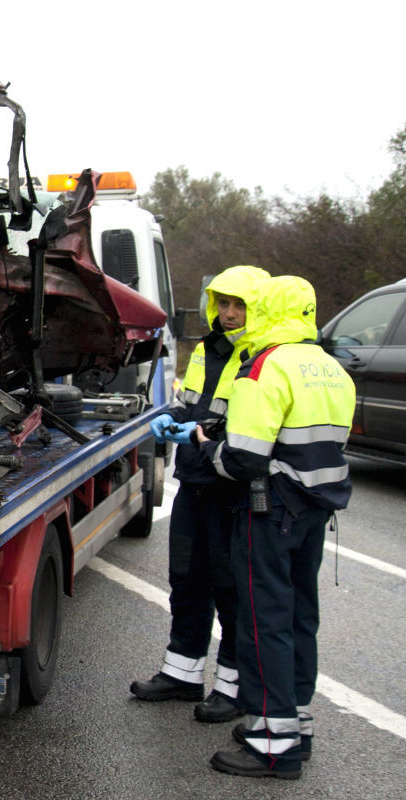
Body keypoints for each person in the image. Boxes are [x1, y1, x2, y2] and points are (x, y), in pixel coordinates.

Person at [194, 275, 354, 780]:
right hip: (315, 510)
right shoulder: (330, 368)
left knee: (263, 623)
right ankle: (296, 726)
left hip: (270, 510)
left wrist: (203, 446)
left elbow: (242, 459)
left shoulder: (265, 367)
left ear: (265, 311)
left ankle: (272, 743)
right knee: (300, 616)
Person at [129, 265, 268, 723]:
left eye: (238, 305)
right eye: (222, 303)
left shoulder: (262, 356)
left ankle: (233, 687)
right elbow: (192, 404)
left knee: (231, 590)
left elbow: (250, 428)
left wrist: (203, 433)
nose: (228, 313)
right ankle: (183, 674)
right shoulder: (208, 350)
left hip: (233, 487)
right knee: (187, 581)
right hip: (195, 481)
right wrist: (170, 418)